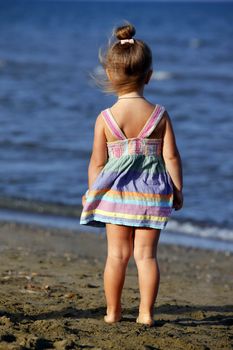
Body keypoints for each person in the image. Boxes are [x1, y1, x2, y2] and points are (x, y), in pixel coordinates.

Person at [80, 23, 183, 326]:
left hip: (115, 197)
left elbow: (97, 163)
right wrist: (177, 189)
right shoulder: (160, 115)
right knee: (146, 257)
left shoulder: (106, 118)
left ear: (109, 76)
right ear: (149, 76)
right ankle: (146, 314)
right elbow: (171, 156)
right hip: (152, 194)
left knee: (116, 256)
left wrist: (92, 193)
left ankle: (113, 312)